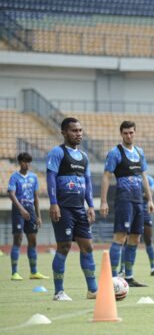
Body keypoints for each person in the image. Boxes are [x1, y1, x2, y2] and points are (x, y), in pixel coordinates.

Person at [46, 117, 97, 301]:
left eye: (80, 130)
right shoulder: (57, 153)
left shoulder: (84, 157)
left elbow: (88, 182)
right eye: (74, 131)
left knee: (88, 246)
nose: (79, 134)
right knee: (64, 246)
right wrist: (53, 203)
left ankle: (93, 290)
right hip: (63, 207)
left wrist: (90, 205)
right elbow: (51, 178)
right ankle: (59, 292)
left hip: (79, 208)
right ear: (64, 132)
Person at [100, 121, 154, 287]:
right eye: (125, 133)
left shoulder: (139, 152)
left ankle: (129, 277)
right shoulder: (115, 153)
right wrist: (103, 201)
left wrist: (150, 199)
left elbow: (143, 176)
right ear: (121, 134)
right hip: (124, 199)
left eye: (131, 132)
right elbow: (106, 176)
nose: (128, 135)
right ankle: (113, 277)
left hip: (139, 200)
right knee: (120, 237)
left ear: (135, 133)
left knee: (135, 239)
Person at [8, 152, 48, 281]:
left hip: (30, 209)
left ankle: (34, 272)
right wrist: (21, 209)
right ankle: (14, 272)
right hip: (18, 208)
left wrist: (38, 216)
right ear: (20, 162)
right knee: (18, 239)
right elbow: (11, 194)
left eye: (29, 162)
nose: (28, 164)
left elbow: (36, 197)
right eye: (25, 162)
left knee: (33, 240)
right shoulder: (14, 177)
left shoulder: (34, 177)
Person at [119, 174, 154, 277]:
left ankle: (153, 268)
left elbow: (149, 194)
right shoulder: (130, 178)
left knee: (148, 240)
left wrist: (138, 192)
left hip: (145, 211)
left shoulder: (150, 179)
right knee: (126, 241)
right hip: (132, 209)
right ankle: (123, 269)